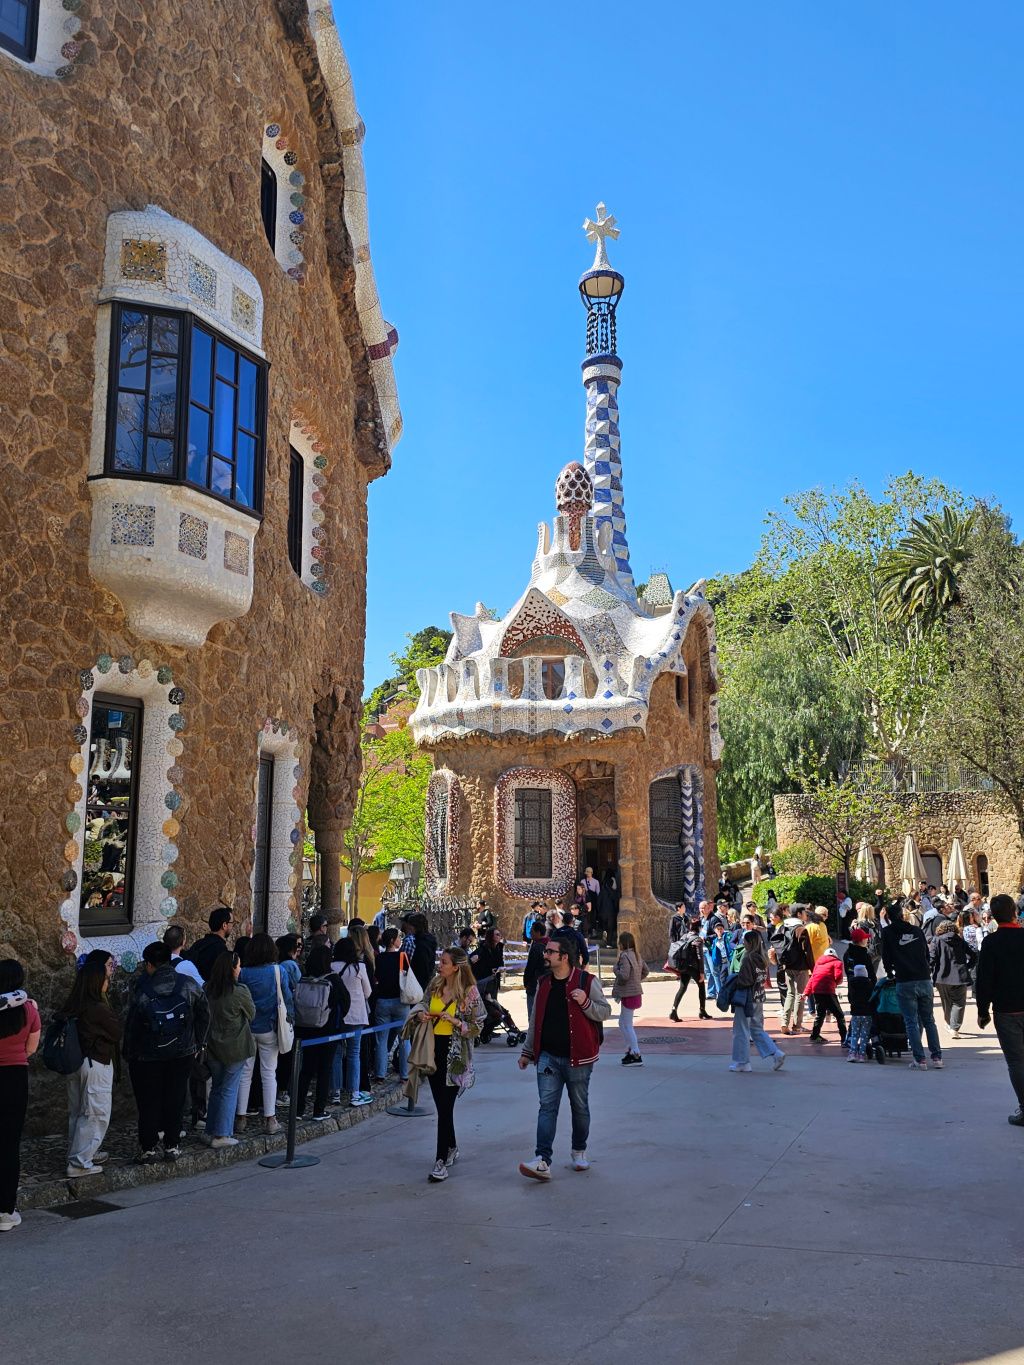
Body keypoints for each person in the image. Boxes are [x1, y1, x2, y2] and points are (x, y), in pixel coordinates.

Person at [517, 934, 610, 1180]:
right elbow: (535, 1019)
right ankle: (542, 1160)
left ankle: (579, 1150)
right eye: (545, 951)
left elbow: (605, 1011)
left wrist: (586, 1002)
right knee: (547, 1107)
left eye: (550, 952)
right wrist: (527, 1051)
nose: (545, 955)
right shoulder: (544, 983)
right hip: (548, 1057)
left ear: (564, 957)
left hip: (578, 1058)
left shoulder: (587, 981)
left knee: (579, 1106)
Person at [124, 941, 209, 1162]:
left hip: (148, 1055)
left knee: (149, 1100)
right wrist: (199, 1042)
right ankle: (172, 1145)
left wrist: (130, 1053)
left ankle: (149, 1148)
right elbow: (204, 1011)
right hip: (182, 1052)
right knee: (176, 1097)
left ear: (149, 964)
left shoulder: (142, 988)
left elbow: (132, 1025)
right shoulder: (187, 984)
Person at [407, 946, 485, 1182]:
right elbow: (423, 1004)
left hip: (455, 1056)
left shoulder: (470, 992)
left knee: (445, 1107)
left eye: (444, 962)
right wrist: (420, 1014)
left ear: (456, 967)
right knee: (442, 1107)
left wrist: (457, 1022)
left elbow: (478, 1026)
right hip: (432, 1051)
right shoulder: (435, 984)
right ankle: (451, 1147)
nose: (439, 965)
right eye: (440, 961)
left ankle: (440, 1161)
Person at [63, 949, 122, 1177]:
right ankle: (80, 1161)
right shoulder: (97, 1008)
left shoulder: (75, 1003)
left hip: (76, 1063)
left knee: (78, 1112)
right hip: (95, 1063)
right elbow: (116, 1032)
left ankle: (78, 1153)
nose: (108, 981)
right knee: (95, 1113)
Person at [975, 893, 1024, 1126]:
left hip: (1007, 1009)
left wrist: (982, 1011)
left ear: (993, 916)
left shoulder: (991, 943)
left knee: (1016, 1061)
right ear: (1014, 911)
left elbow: (984, 980)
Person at [236, 933, 292, 1134]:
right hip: (270, 1027)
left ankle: (240, 1117)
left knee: (245, 1073)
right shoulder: (278, 971)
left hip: (247, 1028)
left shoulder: (243, 973)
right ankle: (270, 1119)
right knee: (269, 1073)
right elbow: (287, 998)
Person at [0, 960, 40, 1232]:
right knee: (9, 1144)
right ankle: (6, 1210)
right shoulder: (29, 1010)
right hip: (15, 1077)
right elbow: (31, 1049)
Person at [881, 901, 943, 1070]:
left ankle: (920, 1059)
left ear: (888, 917)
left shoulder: (888, 932)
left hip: (904, 979)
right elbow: (926, 953)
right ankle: (937, 1057)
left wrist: (889, 972)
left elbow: (886, 955)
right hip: (923, 977)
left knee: (910, 1021)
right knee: (929, 1020)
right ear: (902, 915)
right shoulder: (916, 930)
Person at [203, 950, 254, 1147]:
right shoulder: (239, 991)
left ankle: (210, 1129)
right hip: (236, 1046)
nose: (240, 969)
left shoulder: (207, 989)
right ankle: (222, 1133)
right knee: (229, 1089)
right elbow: (251, 1013)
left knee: (217, 1087)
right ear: (232, 968)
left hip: (213, 1045)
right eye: (238, 966)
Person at [294, 944, 350, 1120]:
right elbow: (345, 1002)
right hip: (328, 1029)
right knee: (325, 1069)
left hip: (306, 1028)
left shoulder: (304, 978)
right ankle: (319, 1110)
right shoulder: (333, 979)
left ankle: (298, 1109)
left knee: (306, 1070)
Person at [729, 931, 785, 1073]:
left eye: (745, 941)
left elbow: (745, 981)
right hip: (758, 997)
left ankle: (742, 1062)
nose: (743, 943)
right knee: (757, 1029)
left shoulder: (748, 958)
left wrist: (735, 980)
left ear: (750, 943)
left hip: (746, 998)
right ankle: (776, 1053)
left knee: (741, 1030)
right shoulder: (762, 958)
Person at [329, 937, 373, 1107]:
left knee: (336, 1054)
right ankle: (354, 1093)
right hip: (356, 1015)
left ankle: (335, 1093)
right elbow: (368, 992)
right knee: (354, 1053)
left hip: (337, 1016)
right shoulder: (359, 967)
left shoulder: (332, 966)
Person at [372, 928, 410, 1083]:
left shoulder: (379, 958)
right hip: (400, 1000)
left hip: (383, 1000)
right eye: (398, 937)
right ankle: (405, 1074)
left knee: (381, 1040)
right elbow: (407, 978)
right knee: (404, 1039)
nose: (400, 940)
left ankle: (380, 1074)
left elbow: (377, 976)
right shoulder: (402, 957)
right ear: (393, 941)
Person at [773, 905, 816, 1034]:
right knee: (800, 995)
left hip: (787, 966)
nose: (806, 915)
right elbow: (807, 951)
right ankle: (797, 1025)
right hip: (801, 967)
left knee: (790, 994)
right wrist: (813, 968)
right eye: (804, 912)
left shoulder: (783, 927)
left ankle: (784, 1022)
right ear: (798, 914)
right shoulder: (801, 929)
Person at [930, 918, 975, 1038]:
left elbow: (931, 958)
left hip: (941, 977)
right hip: (959, 976)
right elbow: (973, 955)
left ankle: (950, 1023)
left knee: (946, 1002)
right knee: (959, 1003)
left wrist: (929, 971)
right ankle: (954, 1028)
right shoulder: (960, 941)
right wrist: (967, 967)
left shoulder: (936, 940)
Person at [612, 932, 649, 1066]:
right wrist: (636, 980)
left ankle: (635, 1053)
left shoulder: (624, 956)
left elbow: (624, 975)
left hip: (628, 994)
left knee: (627, 1025)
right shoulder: (636, 955)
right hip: (634, 993)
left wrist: (615, 970)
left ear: (622, 943)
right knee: (622, 1023)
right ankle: (630, 1049)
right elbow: (646, 971)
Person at [669, 918, 710, 1022]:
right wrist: (702, 972)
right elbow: (699, 957)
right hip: (693, 967)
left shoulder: (684, 936)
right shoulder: (698, 939)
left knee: (682, 988)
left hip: (683, 966)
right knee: (701, 987)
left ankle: (674, 1010)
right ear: (699, 927)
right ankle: (702, 1011)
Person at [804, 946, 847, 1046]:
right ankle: (844, 1038)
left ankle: (814, 1035)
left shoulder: (818, 963)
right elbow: (838, 977)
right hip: (828, 990)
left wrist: (806, 993)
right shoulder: (837, 962)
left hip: (816, 990)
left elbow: (812, 979)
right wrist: (835, 983)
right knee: (839, 1015)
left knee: (820, 1014)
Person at [845, 927, 875, 1062]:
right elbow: (872, 974)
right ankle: (862, 1054)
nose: (867, 941)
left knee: (855, 1026)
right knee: (864, 1032)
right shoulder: (864, 954)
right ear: (861, 940)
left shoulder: (848, 954)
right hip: (866, 998)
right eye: (865, 939)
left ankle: (852, 1050)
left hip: (853, 991)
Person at [184, 906, 234, 982]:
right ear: (224, 925)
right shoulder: (221, 949)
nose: (232, 926)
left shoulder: (198, 943)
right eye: (232, 923)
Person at [523, 919, 549, 1016]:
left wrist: (526, 981)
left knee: (533, 1015)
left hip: (535, 984)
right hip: (547, 983)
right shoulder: (550, 944)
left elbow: (531, 967)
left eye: (532, 931)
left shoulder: (537, 947)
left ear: (538, 932)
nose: (530, 933)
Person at [409, 913, 439, 990]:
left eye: (411, 925)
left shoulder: (422, 944)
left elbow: (422, 966)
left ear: (415, 927)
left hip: (420, 983)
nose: (409, 928)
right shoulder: (427, 941)